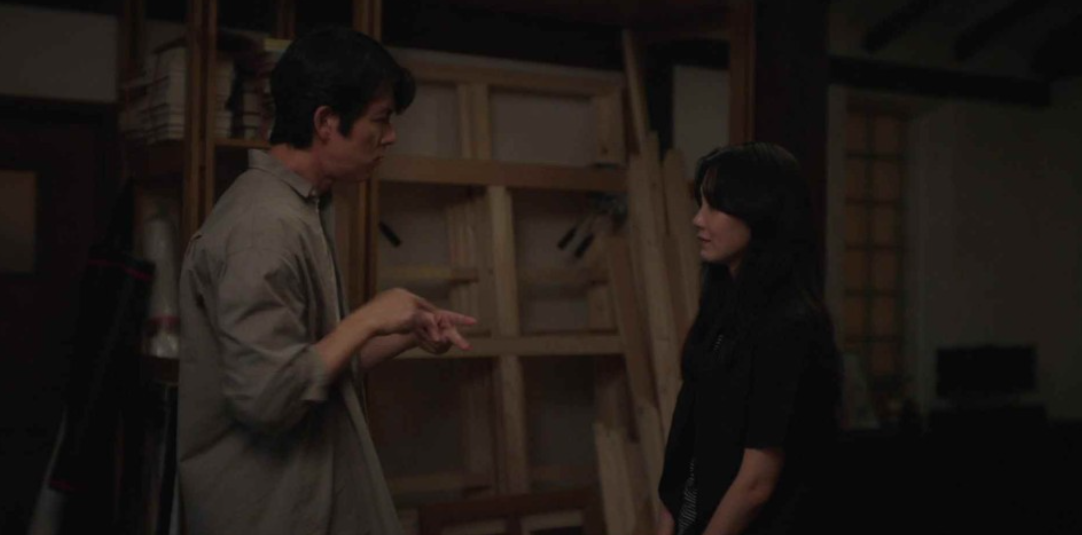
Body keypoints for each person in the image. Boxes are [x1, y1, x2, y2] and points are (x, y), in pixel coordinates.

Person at [177, 27, 475, 535]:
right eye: (380, 119)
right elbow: (269, 397)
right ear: (325, 122)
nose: (390, 136)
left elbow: (311, 368)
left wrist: (405, 333)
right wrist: (368, 318)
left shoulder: (298, 209)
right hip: (270, 515)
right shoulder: (264, 228)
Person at [657, 142, 840, 535]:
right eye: (700, 204)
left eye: (715, 206)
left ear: (762, 213)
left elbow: (757, 483)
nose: (698, 220)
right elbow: (689, 436)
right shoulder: (722, 308)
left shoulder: (791, 324)